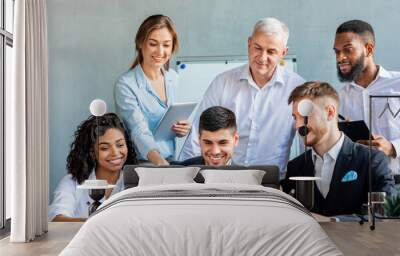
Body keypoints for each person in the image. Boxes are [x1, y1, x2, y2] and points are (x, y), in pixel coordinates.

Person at [180, 17, 304, 177]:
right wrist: (187, 180)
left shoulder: (297, 89)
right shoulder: (223, 83)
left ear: (283, 53)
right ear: (249, 43)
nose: (262, 57)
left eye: (271, 51)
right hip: (223, 179)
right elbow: (198, 135)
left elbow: (305, 146)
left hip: (271, 184)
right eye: (257, 48)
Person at [281, 81, 395, 216]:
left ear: (330, 112)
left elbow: (384, 216)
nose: (298, 125)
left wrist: (335, 222)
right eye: (295, 118)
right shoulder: (295, 167)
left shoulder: (372, 160)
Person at [115, 14, 191, 166]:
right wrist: (161, 164)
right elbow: (138, 130)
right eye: (153, 44)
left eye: (166, 45)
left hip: (171, 160)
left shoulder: (174, 78)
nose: (160, 51)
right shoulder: (126, 85)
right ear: (140, 44)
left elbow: (173, 122)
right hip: (144, 165)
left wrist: (183, 128)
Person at [334, 19, 400, 174]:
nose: (339, 58)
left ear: (369, 49)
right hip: (358, 187)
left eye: (347, 49)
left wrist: (392, 148)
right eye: (337, 52)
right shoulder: (340, 98)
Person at [49, 113, 138, 222]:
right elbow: (57, 219)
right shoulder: (72, 182)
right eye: (105, 148)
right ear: (92, 152)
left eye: (120, 145)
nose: (115, 153)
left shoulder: (137, 183)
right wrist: (96, 225)